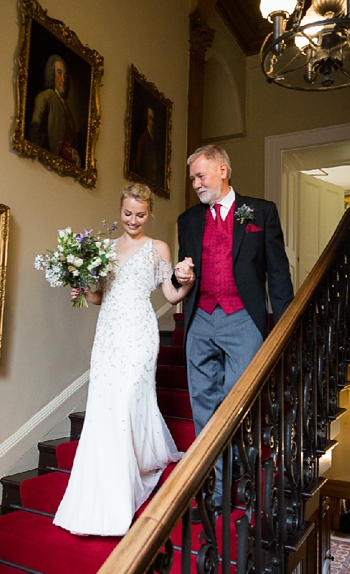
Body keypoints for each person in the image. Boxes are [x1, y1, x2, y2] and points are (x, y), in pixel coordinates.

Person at [53, 182, 195, 536]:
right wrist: (83, 287)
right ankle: (100, 488)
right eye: (128, 213)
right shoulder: (103, 248)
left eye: (141, 214)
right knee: (106, 405)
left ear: (149, 214)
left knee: (129, 397)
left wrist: (187, 281)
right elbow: (99, 297)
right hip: (108, 333)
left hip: (139, 332)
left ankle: (124, 485)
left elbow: (172, 295)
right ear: (120, 210)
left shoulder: (158, 247)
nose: (133, 220)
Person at [174, 144, 294, 509]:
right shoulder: (188, 220)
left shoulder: (260, 212)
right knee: (202, 404)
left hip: (243, 316)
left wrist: (285, 322)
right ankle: (214, 488)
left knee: (236, 400)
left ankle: (236, 468)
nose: (195, 183)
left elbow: (277, 272)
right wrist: (180, 276)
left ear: (223, 169)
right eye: (192, 177)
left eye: (200, 175)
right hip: (200, 317)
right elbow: (185, 274)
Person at [28, 54, 81, 167]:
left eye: (65, 76)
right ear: (51, 74)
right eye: (59, 73)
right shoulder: (46, 96)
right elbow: (34, 128)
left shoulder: (67, 108)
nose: (63, 80)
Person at [133, 106, 158, 184]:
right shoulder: (144, 136)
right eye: (150, 118)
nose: (152, 122)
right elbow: (139, 158)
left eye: (153, 119)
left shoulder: (152, 136)